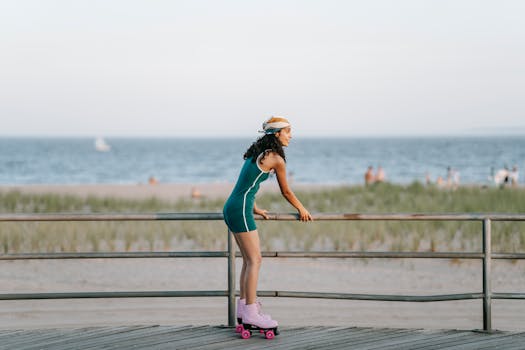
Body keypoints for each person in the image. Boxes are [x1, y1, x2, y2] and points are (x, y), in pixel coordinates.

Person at [223, 116, 312, 333]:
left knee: (247, 261)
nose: (291, 136)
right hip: (239, 209)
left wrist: (255, 208)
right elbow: (286, 191)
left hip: (235, 206)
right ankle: (252, 313)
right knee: (255, 260)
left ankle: (244, 310)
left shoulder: (259, 153)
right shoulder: (276, 159)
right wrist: (301, 208)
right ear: (277, 134)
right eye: (288, 131)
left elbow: (246, 185)